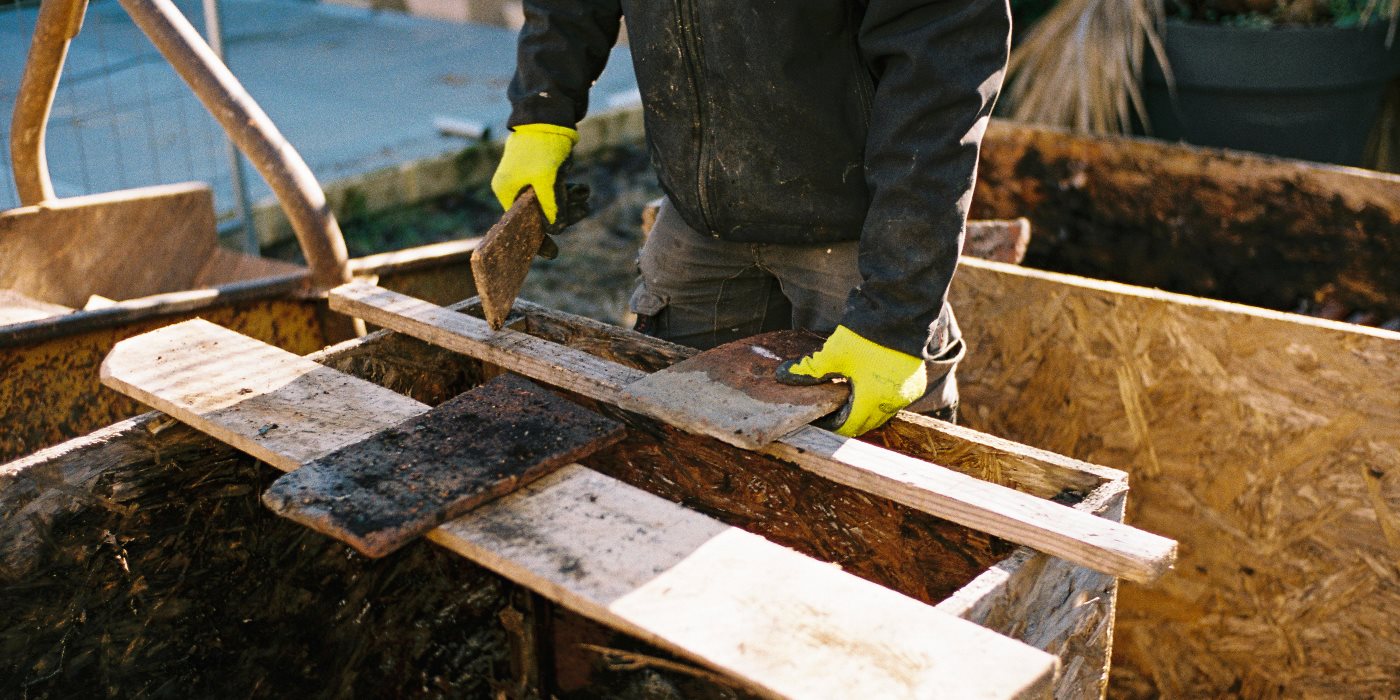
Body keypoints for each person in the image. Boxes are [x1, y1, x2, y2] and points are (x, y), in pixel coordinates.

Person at [491, 1, 1011, 437]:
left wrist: (896, 315)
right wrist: (542, 113)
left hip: (856, 225)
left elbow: (942, 64)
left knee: (892, 473)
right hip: (699, 219)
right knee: (684, 454)